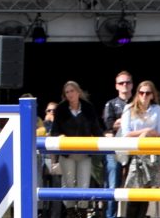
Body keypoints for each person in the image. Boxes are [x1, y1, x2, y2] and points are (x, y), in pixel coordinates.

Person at [50, 81, 103, 218]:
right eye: (67, 92)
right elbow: (54, 131)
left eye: (72, 91)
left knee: (84, 184)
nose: (69, 94)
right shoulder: (60, 109)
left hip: (84, 153)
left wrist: (104, 140)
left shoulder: (88, 108)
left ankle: (83, 211)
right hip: (67, 154)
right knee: (68, 183)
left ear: (78, 92)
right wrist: (60, 136)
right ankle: (70, 211)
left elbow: (96, 128)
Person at [120, 80, 160, 218]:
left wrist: (150, 133)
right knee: (134, 193)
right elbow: (126, 133)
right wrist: (145, 131)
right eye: (141, 92)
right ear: (137, 94)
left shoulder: (157, 109)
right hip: (133, 155)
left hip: (151, 155)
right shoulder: (129, 108)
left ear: (152, 95)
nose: (144, 95)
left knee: (146, 194)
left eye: (147, 93)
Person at [102, 70, 133, 218]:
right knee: (113, 185)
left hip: (135, 148)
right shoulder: (111, 104)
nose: (124, 85)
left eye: (127, 82)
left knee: (135, 186)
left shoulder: (138, 103)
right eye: (121, 83)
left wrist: (122, 122)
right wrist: (128, 122)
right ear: (116, 86)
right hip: (115, 148)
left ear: (132, 85)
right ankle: (110, 216)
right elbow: (109, 125)